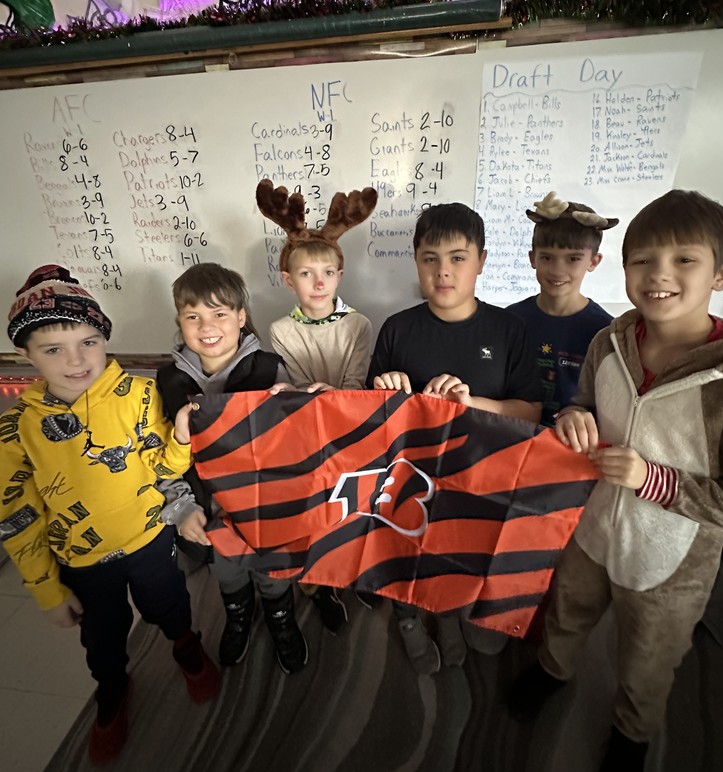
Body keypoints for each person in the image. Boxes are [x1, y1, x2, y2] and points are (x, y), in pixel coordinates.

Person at [508, 189, 723, 772]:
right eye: (643, 260)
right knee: (569, 609)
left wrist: (654, 480)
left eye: (684, 261)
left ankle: (631, 734)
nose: (660, 275)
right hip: (590, 530)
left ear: (722, 272)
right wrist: (573, 418)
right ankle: (553, 671)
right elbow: (584, 403)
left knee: (649, 656)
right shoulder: (609, 342)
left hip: (671, 562)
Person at [0, 265, 219, 766]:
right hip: (82, 561)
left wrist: (180, 439)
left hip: (150, 539)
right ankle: (112, 689)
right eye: (53, 349)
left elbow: (162, 466)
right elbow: (18, 516)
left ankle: (185, 646)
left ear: (103, 338)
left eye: (88, 342)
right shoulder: (12, 429)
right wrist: (46, 590)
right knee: (103, 636)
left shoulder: (136, 395)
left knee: (171, 604)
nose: (76, 360)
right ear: (25, 354)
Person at [368, 202, 543, 673]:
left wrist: (471, 405)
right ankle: (409, 616)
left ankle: (455, 612)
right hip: (411, 478)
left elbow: (530, 413)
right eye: (430, 258)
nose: (443, 271)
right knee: (404, 550)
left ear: (481, 261)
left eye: (457, 257)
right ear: (416, 261)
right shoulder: (396, 328)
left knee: (466, 549)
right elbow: (369, 422)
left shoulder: (509, 329)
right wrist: (384, 393)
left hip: (482, 477)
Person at [156, 262, 309, 675]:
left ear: (241, 317)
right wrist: (182, 507)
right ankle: (238, 618)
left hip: (265, 507)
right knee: (228, 573)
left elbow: (297, 444)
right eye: (193, 316)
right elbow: (162, 457)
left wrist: (293, 405)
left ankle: (281, 621)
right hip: (209, 507)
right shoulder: (167, 382)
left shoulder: (269, 369)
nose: (207, 326)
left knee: (274, 575)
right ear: (180, 322)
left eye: (220, 313)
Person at [256, 178, 379, 629]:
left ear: (340, 276)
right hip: (306, 434)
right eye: (306, 274)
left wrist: (329, 396)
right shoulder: (279, 331)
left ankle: (354, 571)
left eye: (327, 273)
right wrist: (307, 396)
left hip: (348, 429)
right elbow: (293, 383)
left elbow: (354, 382)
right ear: (289, 280)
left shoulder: (359, 325)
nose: (318, 282)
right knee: (313, 509)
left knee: (352, 506)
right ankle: (319, 583)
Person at [508, 191, 617, 426]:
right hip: (513, 440)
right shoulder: (509, 320)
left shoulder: (607, 332)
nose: (557, 270)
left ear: (593, 261)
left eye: (573, 259)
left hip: (572, 449)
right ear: (532, 258)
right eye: (547, 257)